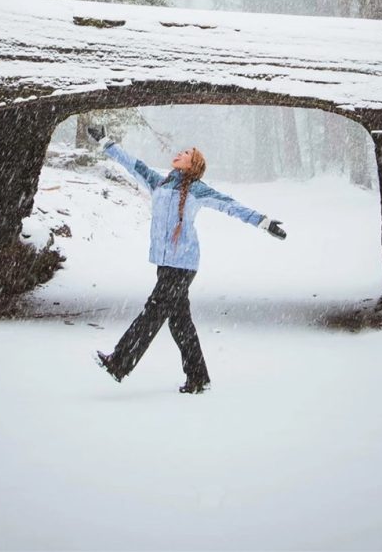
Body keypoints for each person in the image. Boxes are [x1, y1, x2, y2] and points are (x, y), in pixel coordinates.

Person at [87, 124, 287, 394]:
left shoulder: (197, 189)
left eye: (186, 153)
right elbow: (132, 163)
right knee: (180, 322)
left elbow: (231, 205)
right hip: (166, 264)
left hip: (183, 266)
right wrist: (106, 142)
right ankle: (198, 378)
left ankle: (119, 362)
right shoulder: (159, 182)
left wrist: (264, 222)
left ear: (193, 165)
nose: (179, 153)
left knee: (154, 310)